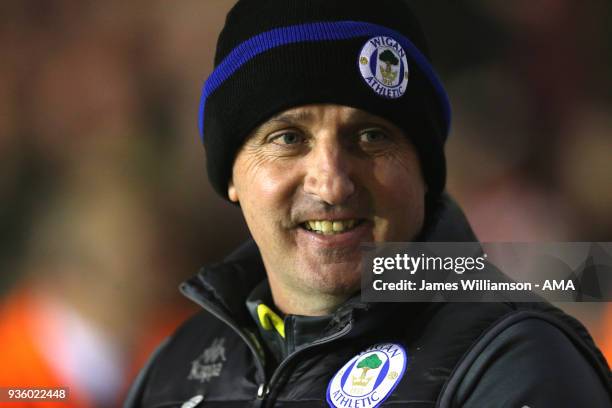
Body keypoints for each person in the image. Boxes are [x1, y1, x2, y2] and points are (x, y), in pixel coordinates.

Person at [125, 1, 612, 407]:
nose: (332, 185)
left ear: (423, 169)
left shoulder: (512, 358)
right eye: (289, 138)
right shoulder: (177, 367)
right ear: (232, 174)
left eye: (371, 136)